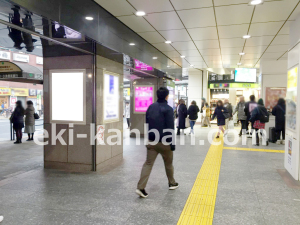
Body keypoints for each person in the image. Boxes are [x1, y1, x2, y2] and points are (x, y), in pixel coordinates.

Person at [136, 87, 178, 198]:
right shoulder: (168, 109)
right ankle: (172, 183)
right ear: (166, 96)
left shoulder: (150, 107)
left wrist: (147, 138)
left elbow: (147, 124)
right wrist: (172, 144)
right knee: (168, 164)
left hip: (152, 141)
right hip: (165, 143)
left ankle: (140, 187)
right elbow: (170, 128)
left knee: (148, 164)